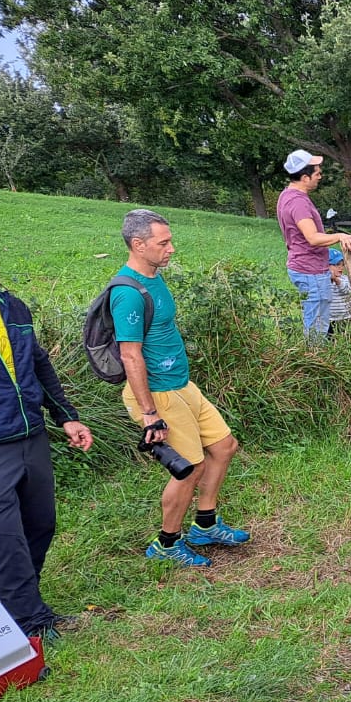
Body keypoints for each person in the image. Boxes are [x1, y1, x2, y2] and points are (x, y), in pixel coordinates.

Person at [0, 226, 93, 639]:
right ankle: (29, 620)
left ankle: (16, 601)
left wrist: (66, 416)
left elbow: (39, 364)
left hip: (31, 436)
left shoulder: (12, 307)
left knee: (40, 524)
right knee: (4, 538)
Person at [112, 210, 251, 566]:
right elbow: (130, 356)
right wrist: (149, 414)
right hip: (156, 393)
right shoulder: (127, 292)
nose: (172, 248)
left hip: (180, 384)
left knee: (223, 446)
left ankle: (204, 524)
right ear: (138, 245)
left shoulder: (154, 278)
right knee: (189, 467)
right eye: (164, 242)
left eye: (170, 241)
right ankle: (166, 544)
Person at [277, 150, 351, 341]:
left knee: (316, 320)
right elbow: (312, 238)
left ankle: (316, 360)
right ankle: (315, 363)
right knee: (317, 325)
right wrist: (340, 236)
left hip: (306, 266)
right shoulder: (298, 202)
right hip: (310, 270)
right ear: (305, 178)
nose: (320, 176)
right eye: (317, 173)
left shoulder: (287, 194)